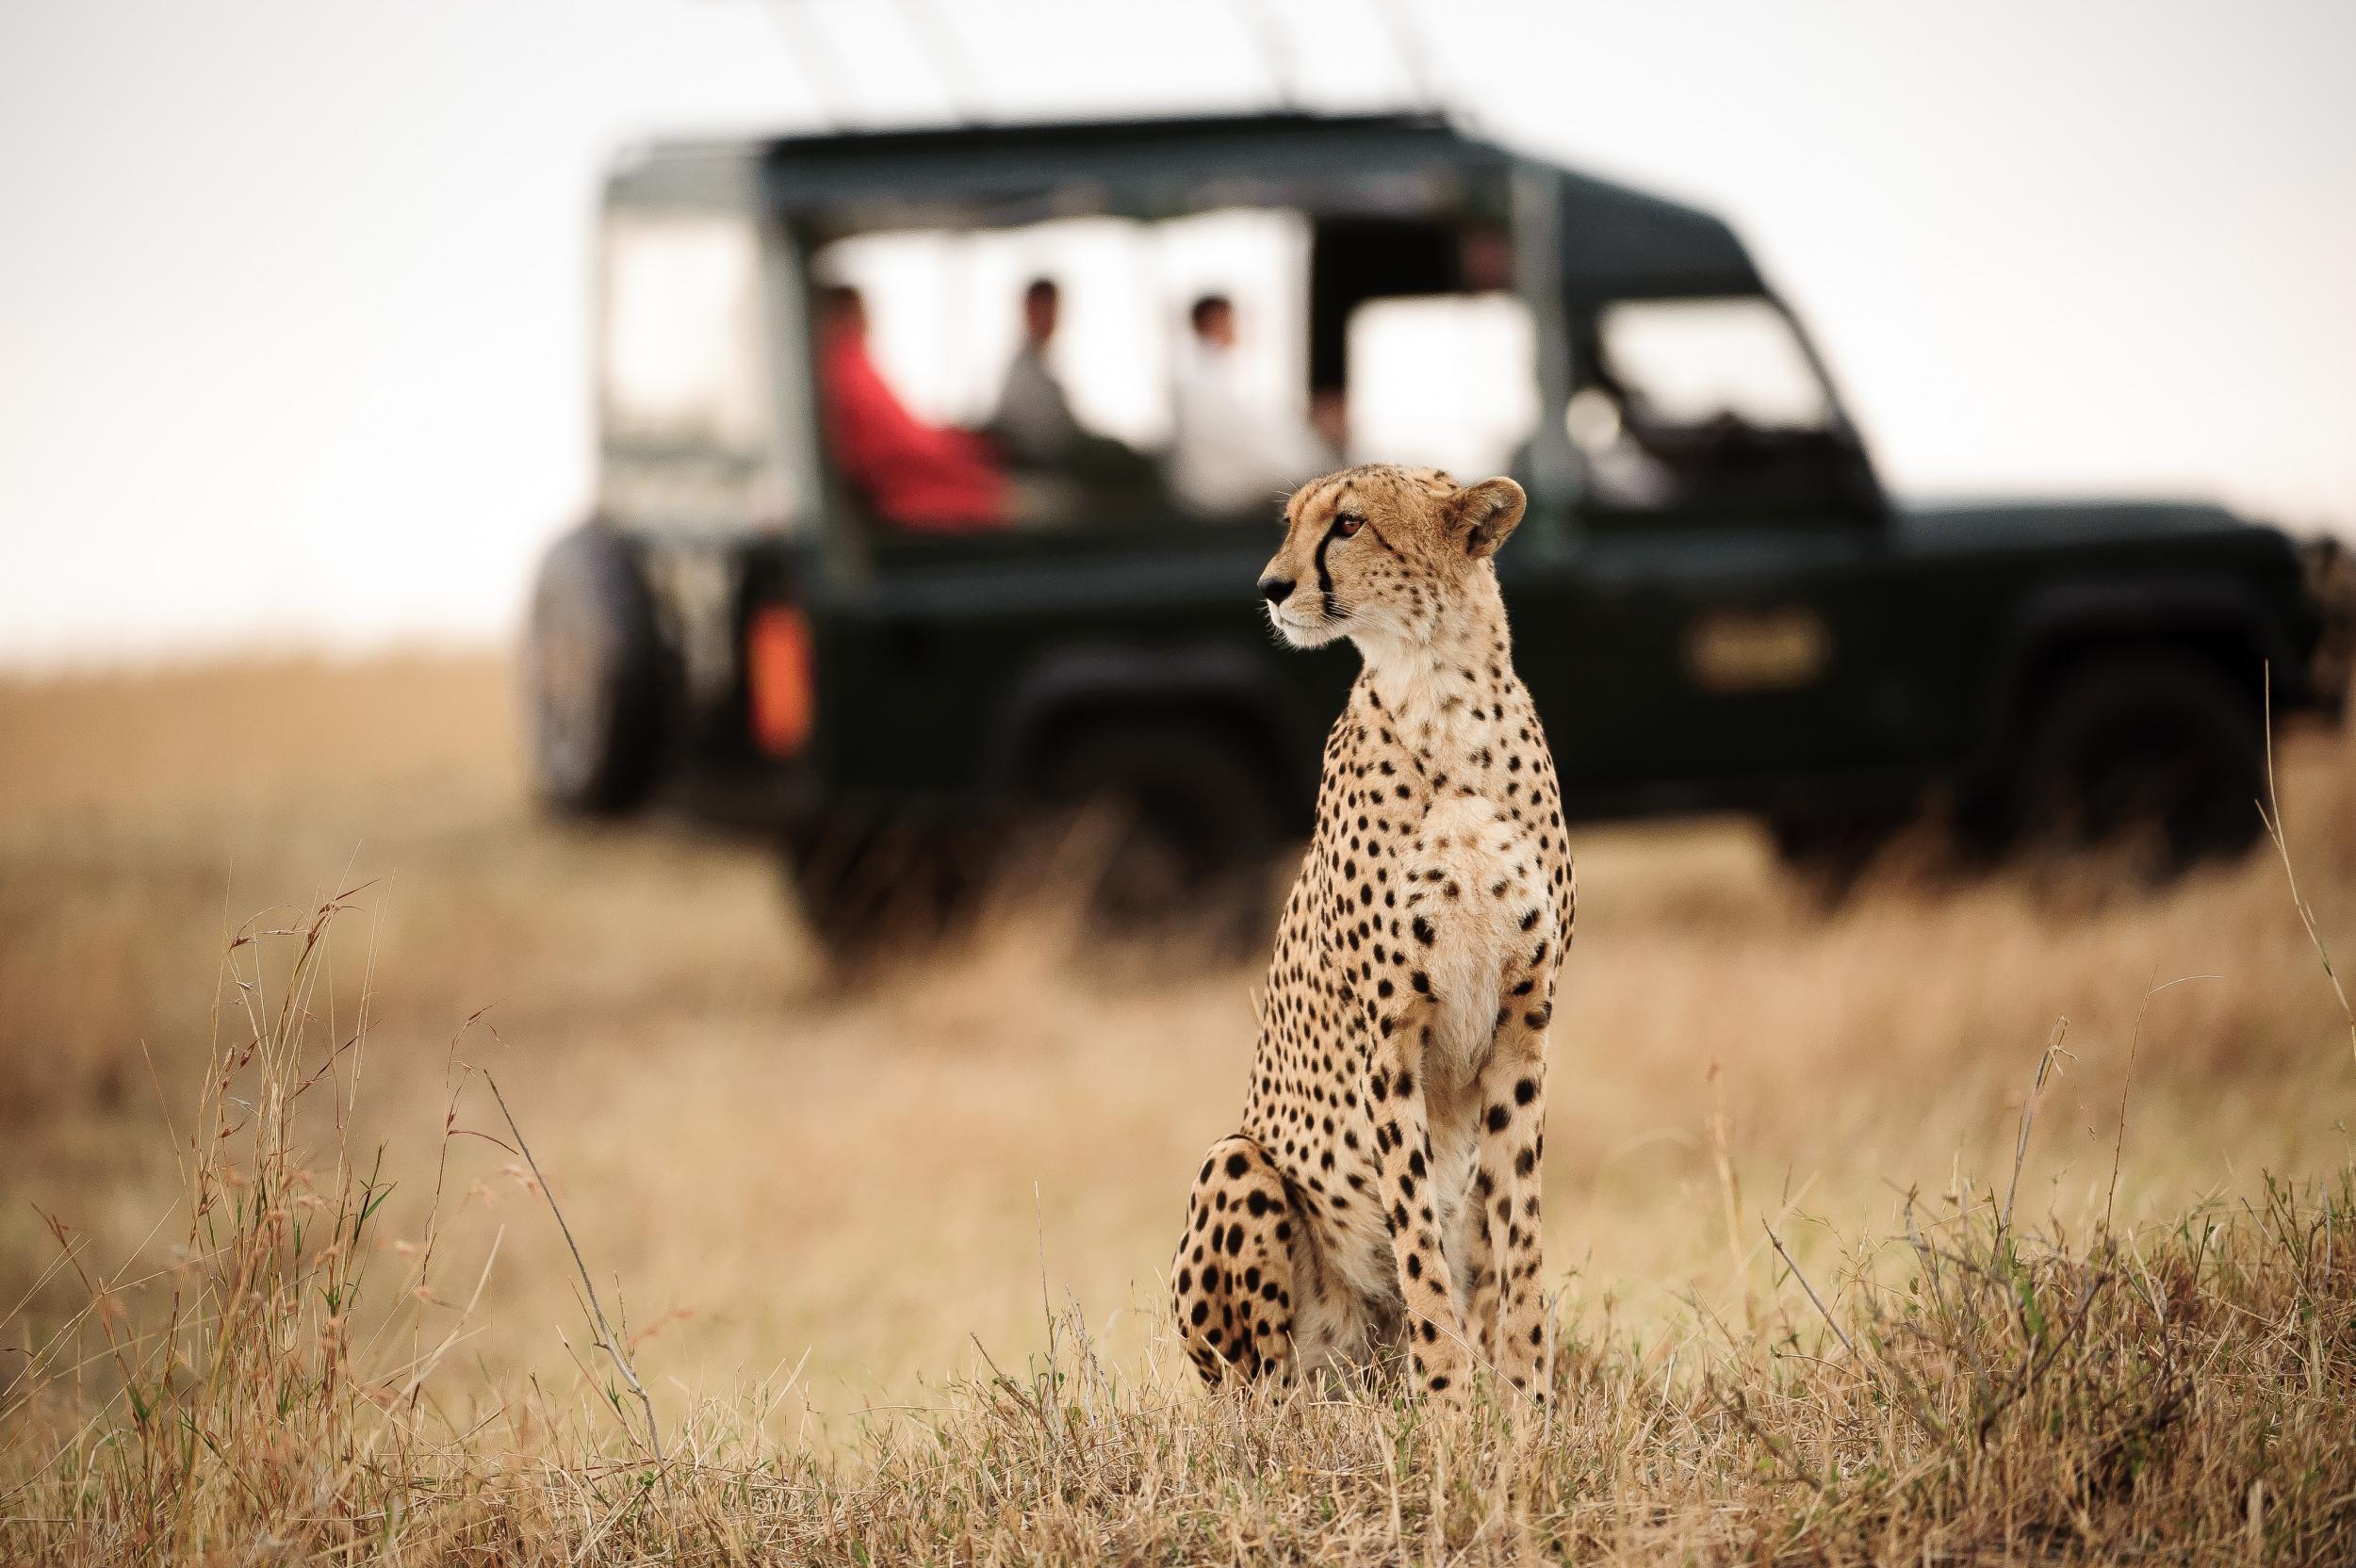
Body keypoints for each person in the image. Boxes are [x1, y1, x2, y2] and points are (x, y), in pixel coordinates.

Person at [815, 285, 1006, 532]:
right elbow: (899, 447)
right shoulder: (850, 369)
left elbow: (904, 434)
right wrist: (973, 453)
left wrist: (961, 445)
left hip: (916, 477)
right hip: (907, 493)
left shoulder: (848, 366)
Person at [1168, 294, 1335, 517]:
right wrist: (1302, 462)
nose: (1234, 328)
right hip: (1217, 492)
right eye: (1228, 320)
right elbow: (1230, 436)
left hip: (1235, 483)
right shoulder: (1193, 378)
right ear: (1211, 322)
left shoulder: (1228, 371)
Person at [989, 279, 1083, 466]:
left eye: (1053, 310)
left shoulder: (1043, 366)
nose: (1050, 318)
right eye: (1043, 310)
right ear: (1028, 311)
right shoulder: (1021, 372)